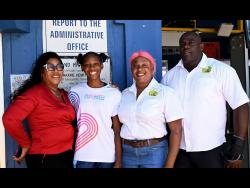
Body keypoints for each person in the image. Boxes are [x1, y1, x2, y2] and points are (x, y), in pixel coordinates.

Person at [161, 31, 249, 168]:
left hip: (212, 150)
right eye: (182, 44)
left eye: (191, 43)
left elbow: (240, 106)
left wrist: (238, 148)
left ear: (201, 46)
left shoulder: (221, 70)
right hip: (179, 151)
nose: (186, 46)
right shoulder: (169, 77)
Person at [2, 52, 76, 168]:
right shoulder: (34, 93)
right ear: (42, 72)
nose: (56, 70)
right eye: (50, 67)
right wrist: (25, 144)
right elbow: (10, 119)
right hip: (45, 157)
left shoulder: (64, 94)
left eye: (59, 66)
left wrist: (108, 88)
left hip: (66, 154)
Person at [117, 50, 183, 168]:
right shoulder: (124, 94)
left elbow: (176, 130)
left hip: (155, 152)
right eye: (135, 66)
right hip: (127, 153)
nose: (140, 69)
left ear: (153, 69)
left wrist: (169, 164)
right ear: (131, 70)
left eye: (144, 65)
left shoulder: (165, 93)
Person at [69, 52, 122, 168]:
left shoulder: (114, 93)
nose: (92, 68)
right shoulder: (75, 92)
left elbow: (117, 130)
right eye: (87, 65)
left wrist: (118, 160)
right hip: (82, 155)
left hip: (107, 155)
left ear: (102, 66)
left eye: (95, 64)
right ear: (82, 67)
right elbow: (69, 122)